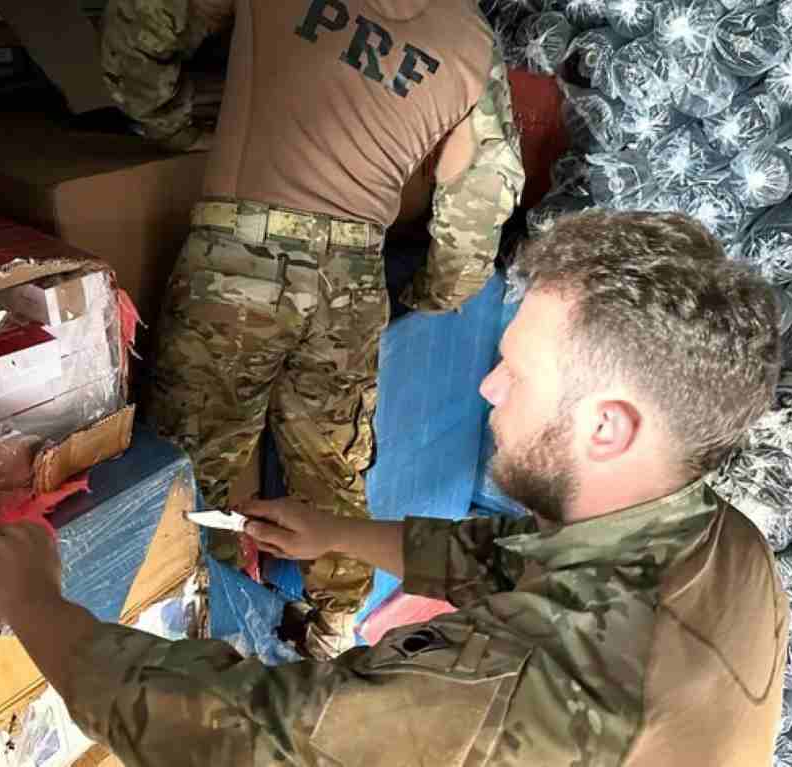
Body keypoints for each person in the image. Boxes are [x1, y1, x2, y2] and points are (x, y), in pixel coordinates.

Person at [0, 211, 790, 766]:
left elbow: (234, 734)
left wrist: (34, 601)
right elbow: (519, 557)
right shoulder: (721, 542)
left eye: (518, 373)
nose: (489, 386)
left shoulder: (517, 688)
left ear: (607, 426)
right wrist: (337, 533)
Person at [99, 0, 526, 659]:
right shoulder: (471, 42)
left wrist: (169, 121)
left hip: (236, 258)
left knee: (193, 463)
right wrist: (431, 291)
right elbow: (481, 202)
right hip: (352, 279)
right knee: (332, 467)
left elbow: (144, 24)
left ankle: (209, 624)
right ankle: (332, 632)